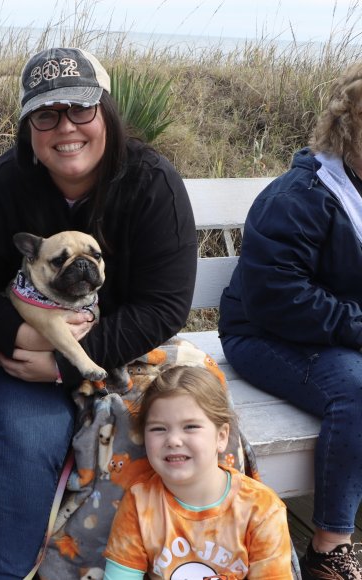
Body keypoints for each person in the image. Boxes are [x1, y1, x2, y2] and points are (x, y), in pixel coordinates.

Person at [0, 47, 198, 577]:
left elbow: (164, 305)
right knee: (26, 438)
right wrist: (21, 337)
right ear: (28, 128)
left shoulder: (152, 183)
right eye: (45, 114)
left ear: (107, 113)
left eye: (80, 108)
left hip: (121, 350)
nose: (65, 127)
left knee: (186, 427)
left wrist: (65, 362)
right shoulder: (4, 186)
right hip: (17, 359)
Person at [219, 62, 362, 580]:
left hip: (337, 333)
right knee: (356, 390)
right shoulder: (301, 196)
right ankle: (330, 546)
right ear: (349, 125)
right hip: (264, 333)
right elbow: (279, 297)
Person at [102, 366, 292, 579]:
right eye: (158, 428)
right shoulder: (140, 503)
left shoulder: (262, 509)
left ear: (221, 437)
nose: (173, 440)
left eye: (190, 426)